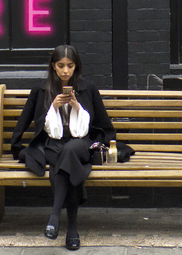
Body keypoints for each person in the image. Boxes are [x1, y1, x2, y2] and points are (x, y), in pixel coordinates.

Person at [9, 45, 131, 250]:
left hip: (81, 142)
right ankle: (72, 230)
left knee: (69, 151)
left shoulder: (87, 88)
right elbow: (25, 121)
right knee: (64, 158)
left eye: (70, 66)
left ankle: (55, 215)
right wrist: (53, 107)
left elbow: (103, 124)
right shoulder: (41, 90)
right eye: (61, 65)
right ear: (53, 66)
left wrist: (77, 107)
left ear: (76, 66)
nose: (66, 71)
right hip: (52, 143)